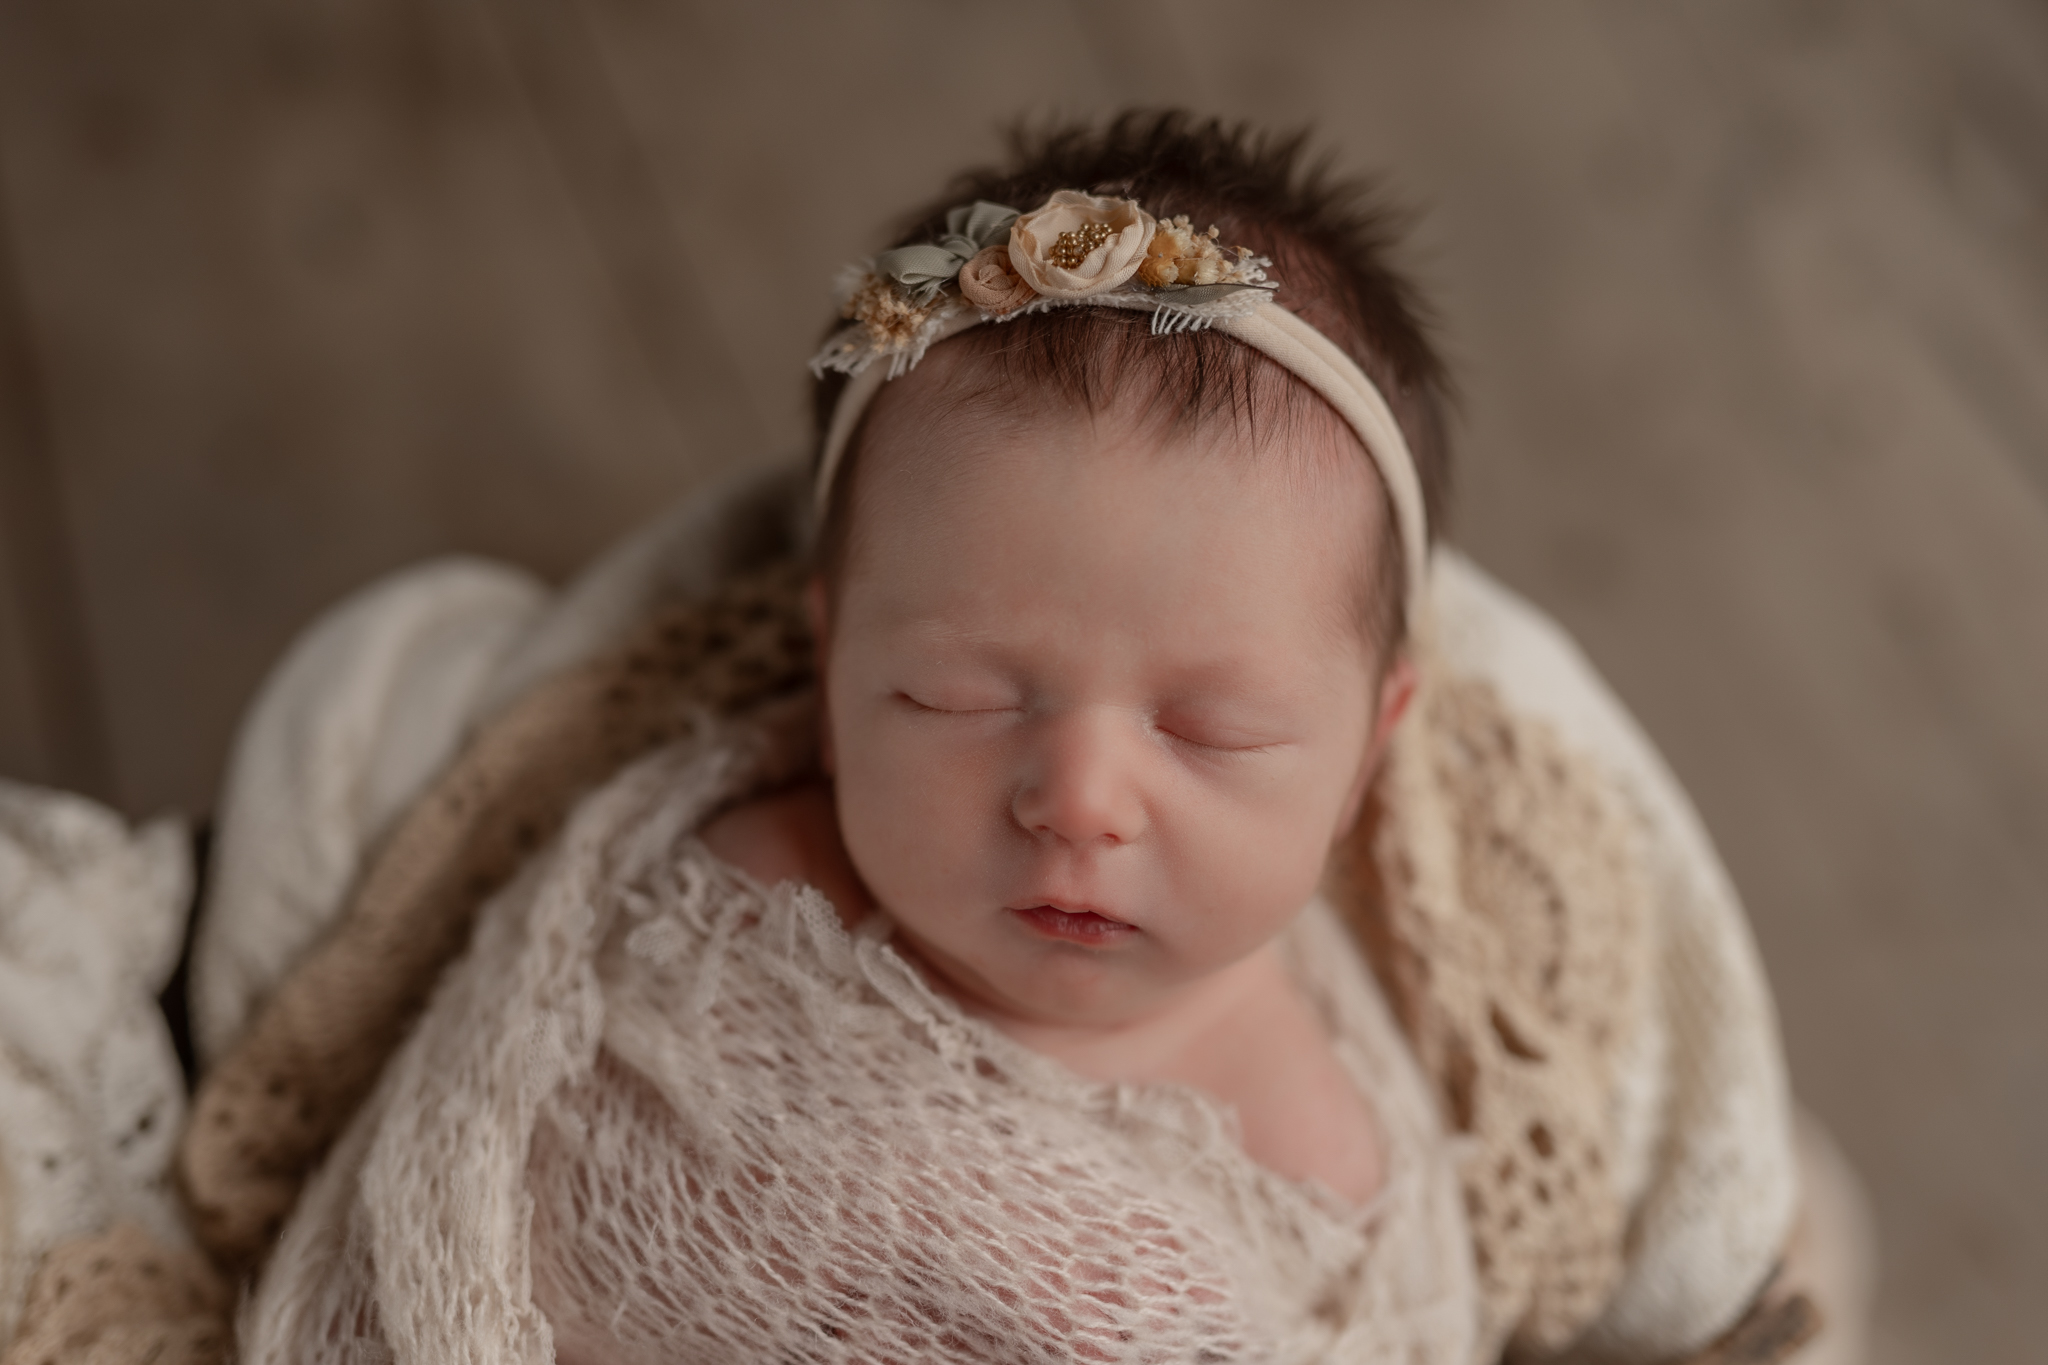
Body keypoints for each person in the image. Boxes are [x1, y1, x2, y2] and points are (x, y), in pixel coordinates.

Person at [145, 112, 1854, 1364]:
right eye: (958, 696)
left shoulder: (1368, 1067)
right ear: (827, 666)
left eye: (1216, 726)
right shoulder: (731, 935)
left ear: (1372, 741)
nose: (1081, 797)